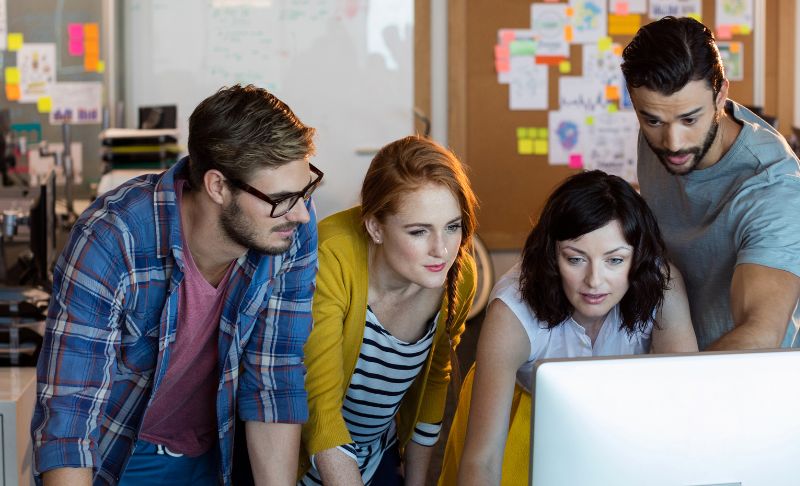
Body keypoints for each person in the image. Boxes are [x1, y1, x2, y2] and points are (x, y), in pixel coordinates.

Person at [31, 84, 320, 486]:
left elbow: (275, 378)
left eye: (306, 191)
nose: (301, 213)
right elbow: (70, 418)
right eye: (283, 198)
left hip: (217, 452)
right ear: (217, 186)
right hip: (121, 455)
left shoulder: (288, 229)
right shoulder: (113, 239)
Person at [439, 170, 698, 486]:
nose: (594, 281)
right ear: (552, 256)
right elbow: (483, 461)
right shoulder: (511, 311)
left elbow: (684, 413)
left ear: (638, 259)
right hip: (522, 410)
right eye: (575, 259)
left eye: (615, 261)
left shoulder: (661, 286)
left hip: (617, 411)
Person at [299, 135, 477, 485]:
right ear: (375, 227)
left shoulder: (458, 274)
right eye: (419, 231)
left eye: (452, 226)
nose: (441, 250)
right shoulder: (332, 259)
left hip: (376, 451)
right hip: (305, 455)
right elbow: (320, 411)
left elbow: (433, 383)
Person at [621, 16, 800, 351]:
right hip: (676, 348)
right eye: (653, 120)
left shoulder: (773, 187)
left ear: (721, 95)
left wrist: (683, 379)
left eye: (690, 119)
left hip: (742, 370)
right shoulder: (662, 130)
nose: (673, 142)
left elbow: (761, 335)